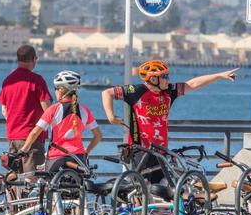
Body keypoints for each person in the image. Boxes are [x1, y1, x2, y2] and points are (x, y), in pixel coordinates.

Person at [102, 59, 238, 183]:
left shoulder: (169, 92)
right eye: (165, 76)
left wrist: (219, 75)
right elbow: (107, 93)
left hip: (161, 151)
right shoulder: (137, 91)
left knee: (165, 189)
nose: (168, 79)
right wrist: (111, 117)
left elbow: (193, 84)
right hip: (141, 150)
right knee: (142, 190)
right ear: (153, 79)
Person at [20, 70, 102, 173]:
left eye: (55, 89)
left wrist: (24, 150)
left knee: (50, 186)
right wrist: (86, 152)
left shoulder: (53, 109)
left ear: (60, 90)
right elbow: (98, 135)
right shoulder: (84, 110)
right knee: (79, 187)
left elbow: (35, 132)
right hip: (79, 158)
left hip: (56, 158)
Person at [0, 45, 52, 173]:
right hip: (32, 138)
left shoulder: (8, 80)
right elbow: (48, 110)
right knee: (32, 181)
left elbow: (4, 110)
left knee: (15, 180)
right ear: (33, 59)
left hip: (12, 137)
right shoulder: (37, 80)